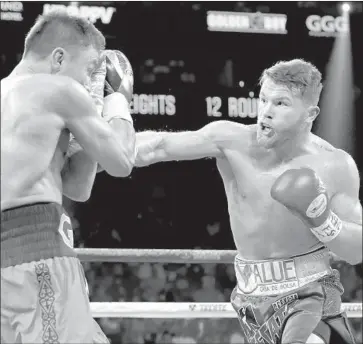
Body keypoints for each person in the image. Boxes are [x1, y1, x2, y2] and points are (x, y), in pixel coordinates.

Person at [135, 59, 362, 343]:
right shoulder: (233, 141)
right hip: (252, 300)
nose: (266, 112)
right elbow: (157, 147)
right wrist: (93, 145)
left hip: (310, 291)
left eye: (281, 103)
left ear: (310, 113)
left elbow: (357, 251)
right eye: (264, 99)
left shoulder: (334, 165)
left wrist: (322, 218)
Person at [1, 10, 135, 343]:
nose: (91, 81)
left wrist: (83, 133)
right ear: (59, 58)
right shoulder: (59, 91)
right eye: (90, 69)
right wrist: (118, 100)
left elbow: (77, 187)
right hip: (35, 254)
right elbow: (121, 161)